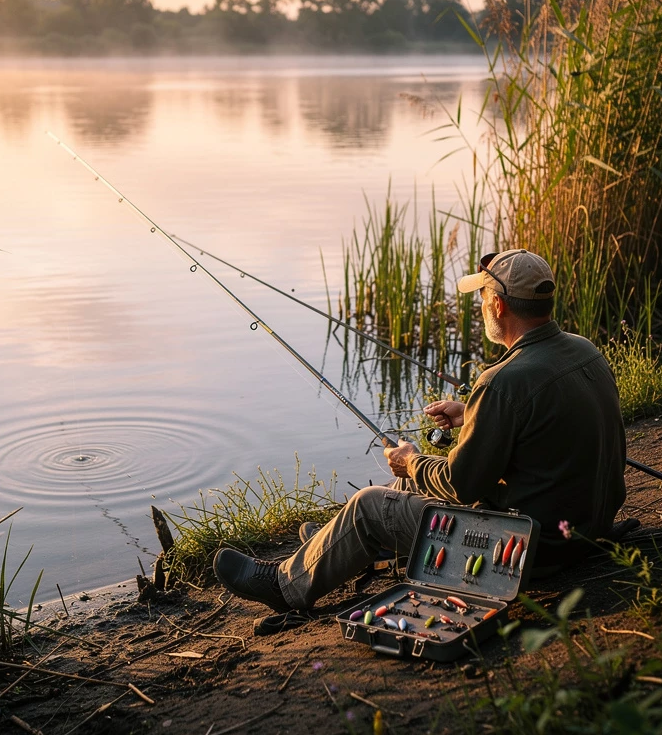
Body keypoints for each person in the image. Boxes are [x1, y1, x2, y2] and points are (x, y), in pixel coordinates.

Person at [213, 248, 627, 612]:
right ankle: (333, 549)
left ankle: (285, 586)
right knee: (402, 498)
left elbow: (461, 484)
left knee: (370, 505)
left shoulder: (501, 382)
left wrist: (411, 461)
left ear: (499, 306)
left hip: (527, 554)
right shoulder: (582, 350)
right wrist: (473, 413)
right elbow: (544, 424)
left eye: (482, 297)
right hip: (584, 531)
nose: (480, 305)